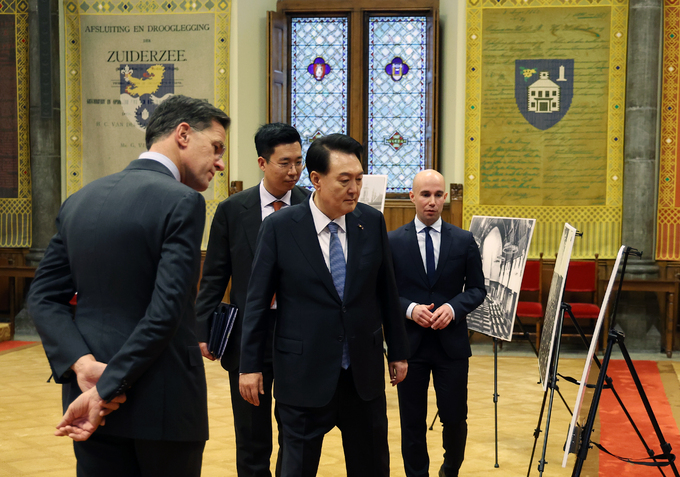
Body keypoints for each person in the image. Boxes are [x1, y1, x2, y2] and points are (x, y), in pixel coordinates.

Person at [26, 95, 230, 477]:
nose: (220, 162)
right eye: (216, 148)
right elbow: (165, 312)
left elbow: (42, 297)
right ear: (183, 134)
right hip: (161, 403)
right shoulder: (182, 201)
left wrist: (83, 365)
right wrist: (108, 386)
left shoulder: (79, 200)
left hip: (88, 400)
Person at [239, 133, 409, 477]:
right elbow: (256, 301)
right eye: (344, 180)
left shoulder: (371, 221)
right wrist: (249, 366)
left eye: (359, 179)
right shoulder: (280, 227)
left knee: (372, 465)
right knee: (297, 467)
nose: (354, 189)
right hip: (303, 374)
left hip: (362, 374)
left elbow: (387, 291)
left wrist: (399, 351)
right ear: (316, 179)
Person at [195, 122, 309, 476]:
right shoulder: (233, 210)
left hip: (299, 335)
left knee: (297, 434)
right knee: (251, 436)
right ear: (262, 163)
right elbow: (215, 276)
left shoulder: (311, 205)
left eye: (299, 161)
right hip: (249, 336)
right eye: (284, 163)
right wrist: (202, 330)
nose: (294, 171)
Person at [388, 169, 486, 477]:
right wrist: (410, 309)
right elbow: (383, 293)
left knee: (455, 418)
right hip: (410, 347)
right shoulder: (392, 241)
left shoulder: (464, 240)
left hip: (451, 347)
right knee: (412, 422)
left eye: (438, 195)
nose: (432, 201)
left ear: (445, 197)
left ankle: (449, 471)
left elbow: (477, 289)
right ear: (412, 197)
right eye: (425, 194)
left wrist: (454, 308)